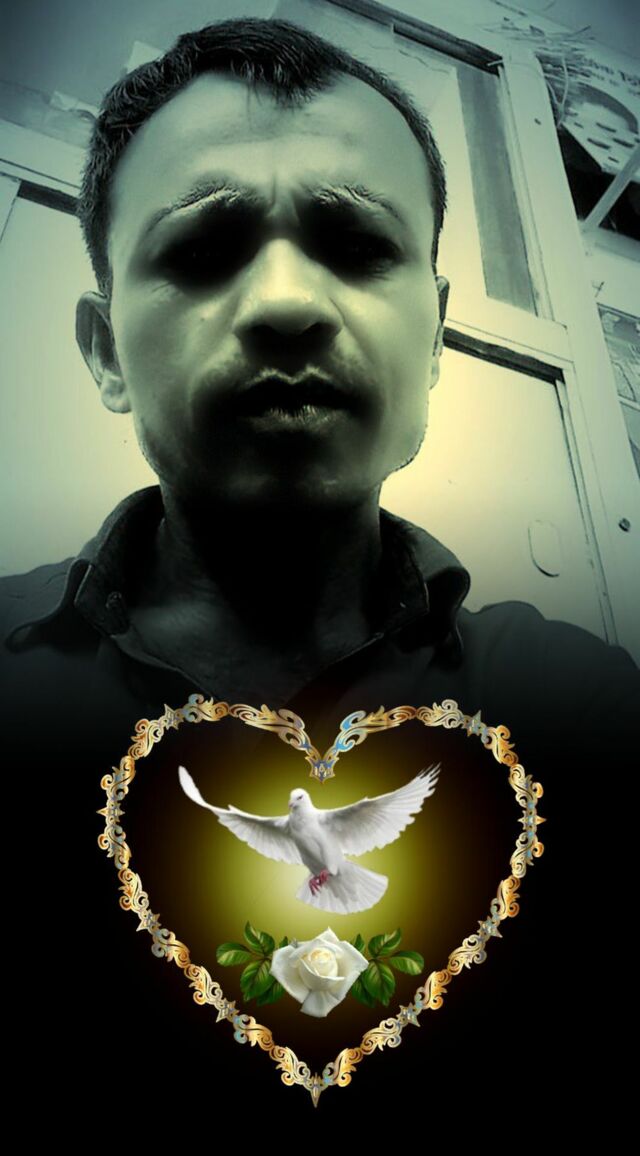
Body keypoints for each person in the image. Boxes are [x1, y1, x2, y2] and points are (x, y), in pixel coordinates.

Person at [1, 16, 638, 1130]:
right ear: (106, 352)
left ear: (434, 342)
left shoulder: (588, 705)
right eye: (204, 250)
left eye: (355, 243)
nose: (287, 301)